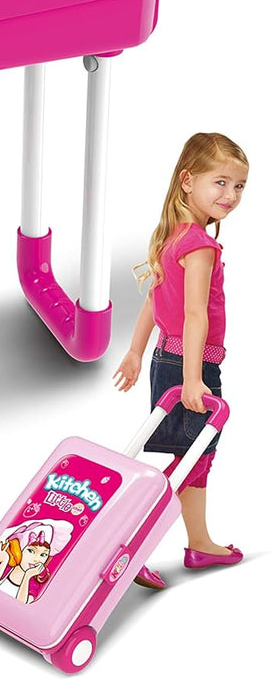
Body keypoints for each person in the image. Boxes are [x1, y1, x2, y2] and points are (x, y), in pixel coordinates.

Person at [114, 132, 247, 586]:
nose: (231, 195)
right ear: (188, 181)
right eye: (220, 182)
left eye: (239, 186)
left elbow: (153, 299)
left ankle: (199, 543)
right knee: (188, 461)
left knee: (192, 457)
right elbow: (194, 315)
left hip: (165, 361)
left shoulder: (172, 237)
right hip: (192, 366)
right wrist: (193, 378)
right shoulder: (200, 246)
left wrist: (136, 352)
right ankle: (129, 546)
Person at [0, 520, 72, 604]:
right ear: (17, 550)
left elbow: (21, 603)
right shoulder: (2, 567)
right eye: (31, 551)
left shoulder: (33, 585)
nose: (36, 559)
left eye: (43, 555)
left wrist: (27, 576)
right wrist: (4, 562)